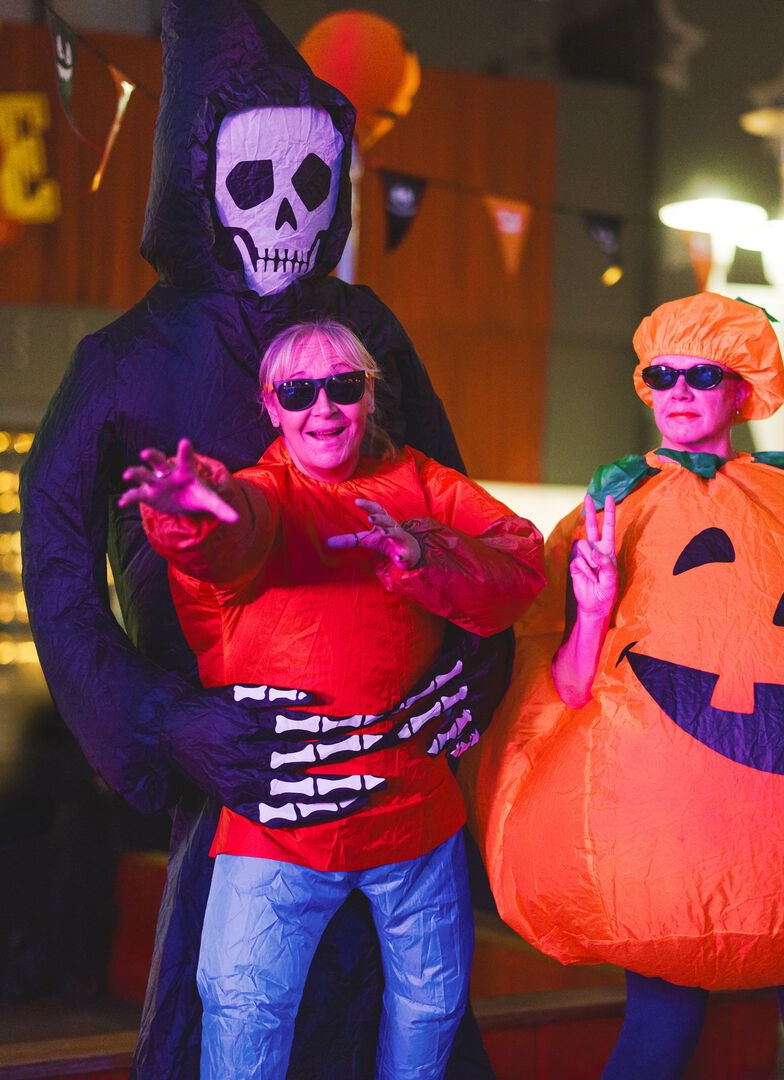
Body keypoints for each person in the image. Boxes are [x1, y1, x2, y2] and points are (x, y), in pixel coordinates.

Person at [19, 2, 509, 1074]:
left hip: (393, 769)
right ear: (198, 179)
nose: (287, 211)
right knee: (236, 1019)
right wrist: (163, 720)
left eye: (310, 180)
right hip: (243, 787)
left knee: (411, 1016)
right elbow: (54, 561)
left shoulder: (364, 328)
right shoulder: (126, 359)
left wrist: (471, 659)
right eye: (252, 180)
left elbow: (452, 500)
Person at [468, 293, 784, 1080]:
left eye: (701, 375)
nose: (679, 391)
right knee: (661, 1029)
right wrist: (594, 608)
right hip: (681, 844)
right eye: (663, 375)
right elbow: (565, 692)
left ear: (739, 390)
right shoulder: (610, 516)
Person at [121, 320, 545, 1079]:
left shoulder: (421, 483)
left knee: (433, 1009)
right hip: (282, 824)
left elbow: (517, 562)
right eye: (299, 390)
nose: (324, 407)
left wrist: (421, 551)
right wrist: (193, 510)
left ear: (369, 394)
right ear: (271, 405)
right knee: (244, 1006)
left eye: (343, 386)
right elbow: (231, 538)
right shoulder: (261, 493)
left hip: (412, 814)